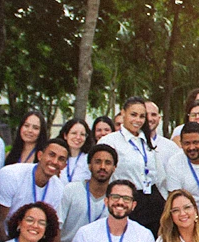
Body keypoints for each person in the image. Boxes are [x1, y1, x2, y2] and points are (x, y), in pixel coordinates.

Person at [98, 96, 166, 234]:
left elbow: (156, 174)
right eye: (133, 115)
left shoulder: (146, 140)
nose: (138, 120)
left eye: (142, 116)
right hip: (128, 200)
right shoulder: (110, 141)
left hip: (152, 199)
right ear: (123, 113)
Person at [57, 145, 117, 242]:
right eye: (98, 162)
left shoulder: (116, 199)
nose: (102, 167)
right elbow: (56, 228)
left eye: (108, 163)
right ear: (89, 165)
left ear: (114, 168)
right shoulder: (71, 190)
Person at [0, 138, 69, 239]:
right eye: (51, 155)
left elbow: (49, 225)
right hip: (4, 237)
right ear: (40, 155)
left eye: (61, 159)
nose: (55, 161)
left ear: (64, 166)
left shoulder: (58, 188)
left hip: (31, 238)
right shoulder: (12, 175)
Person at [146, 101, 182, 201]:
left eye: (153, 114)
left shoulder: (170, 147)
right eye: (145, 114)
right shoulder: (133, 144)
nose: (149, 118)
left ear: (159, 118)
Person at [57, 118, 93, 185]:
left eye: (82, 134)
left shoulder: (89, 159)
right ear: (65, 135)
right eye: (74, 133)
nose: (78, 137)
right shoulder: (57, 157)